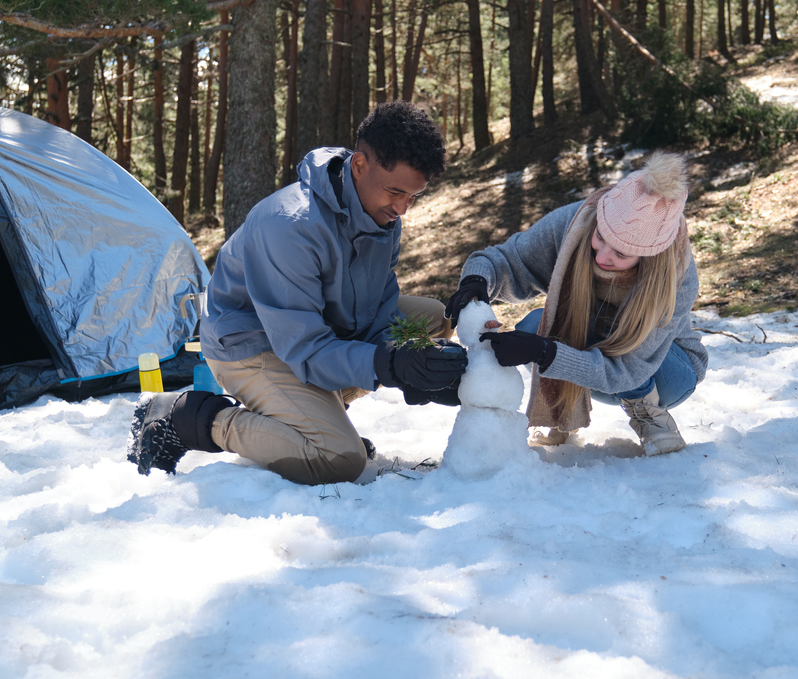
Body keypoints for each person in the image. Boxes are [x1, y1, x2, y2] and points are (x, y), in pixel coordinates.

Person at [128, 101, 467, 485]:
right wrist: (388, 364)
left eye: (413, 197)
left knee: (433, 319)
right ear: (359, 166)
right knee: (338, 459)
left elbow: (378, 309)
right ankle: (193, 418)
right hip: (252, 344)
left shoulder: (382, 215)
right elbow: (305, 348)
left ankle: (314, 413)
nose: (403, 209)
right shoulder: (290, 225)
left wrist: (413, 365)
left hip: (318, 328)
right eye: (395, 192)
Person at [443, 151, 707, 455]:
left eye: (621, 253)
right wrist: (476, 281)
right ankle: (562, 410)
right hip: (599, 359)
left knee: (565, 338)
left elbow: (627, 371)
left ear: (650, 256)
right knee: (534, 326)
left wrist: (545, 353)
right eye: (601, 237)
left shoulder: (676, 275)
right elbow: (506, 260)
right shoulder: (576, 223)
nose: (602, 256)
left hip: (665, 372)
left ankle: (650, 416)